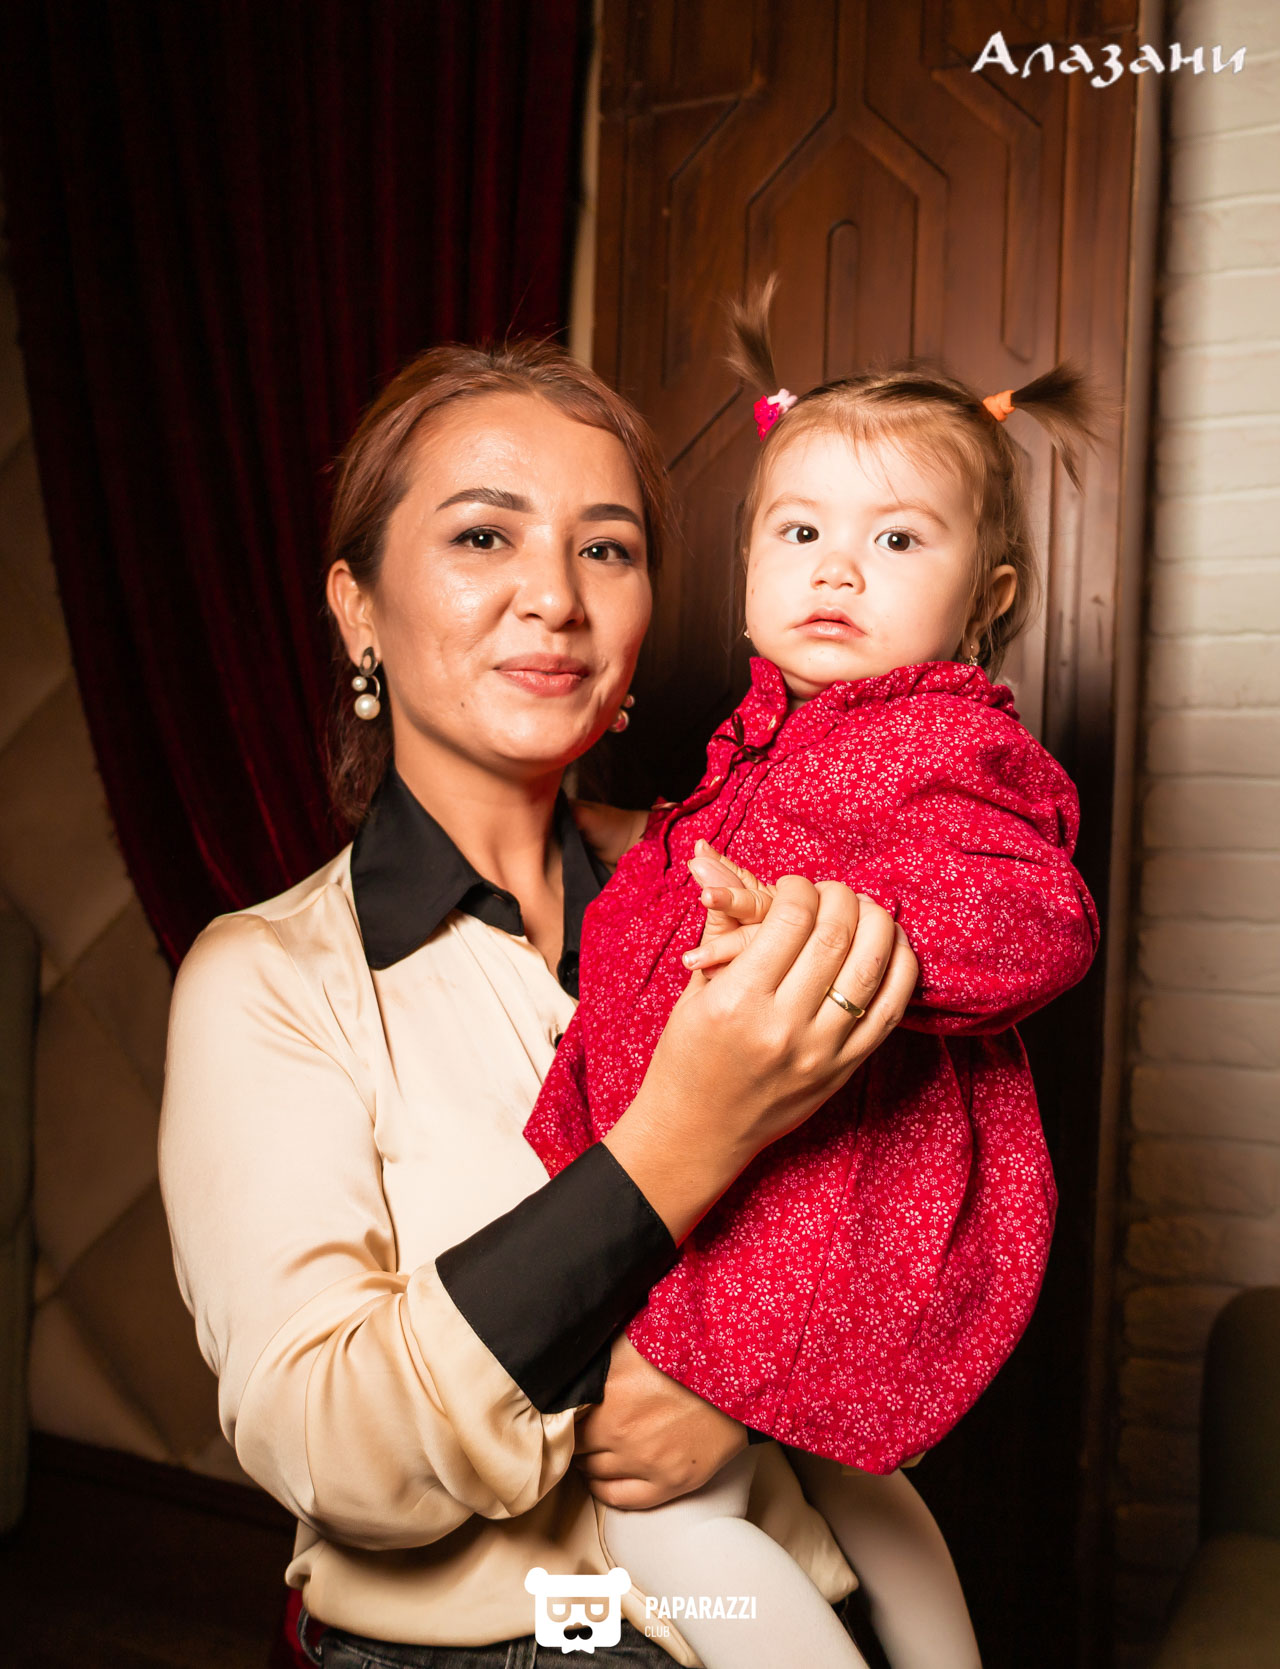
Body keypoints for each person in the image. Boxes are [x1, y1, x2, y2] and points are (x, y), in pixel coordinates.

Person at [157, 338, 923, 1669]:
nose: (556, 599)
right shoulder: (270, 979)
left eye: (606, 548)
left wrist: (739, 1396)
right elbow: (332, 1446)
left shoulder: (740, 890)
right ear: (357, 607)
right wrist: (679, 1141)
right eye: (482, 536)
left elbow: (913, 1219)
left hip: (804, 1606)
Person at [522, 282, 1104, 1668]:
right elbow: (696, 896)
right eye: (800, 533)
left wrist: (837, 925)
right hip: (771, 1191)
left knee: (669, 1528)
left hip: (831, 1201)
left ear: (987, 600)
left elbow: (1041, 917)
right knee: (845, 1467)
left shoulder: (944, 741)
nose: (838, 570)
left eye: (896, 539)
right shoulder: (764, 746)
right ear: (747, 568)